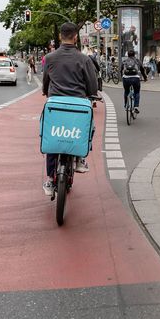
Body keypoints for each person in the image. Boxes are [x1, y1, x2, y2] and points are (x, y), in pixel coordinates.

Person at [42, 23, 99, 195]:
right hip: (78, 104)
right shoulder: (84, 59)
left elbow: (46, 80)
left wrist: (46, 91)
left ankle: (51, 180)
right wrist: (92, 94)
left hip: (56, 103)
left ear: (60, 37)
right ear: (76, 38)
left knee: (51, 136)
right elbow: (92, 84)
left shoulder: (50, 58)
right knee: (89, 127)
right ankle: (80, 158)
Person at [122, 49, 147, 114]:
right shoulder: (137, 61)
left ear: (128, 55)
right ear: (134, 55)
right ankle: (136, 107)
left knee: (126, 91)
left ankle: (126, 105)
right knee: (137, 92)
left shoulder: (125, 61)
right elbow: (142, 70)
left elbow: (121, 70)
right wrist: (145, 78)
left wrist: (122, 76)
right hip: (135, 78)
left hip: (126, 78)